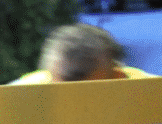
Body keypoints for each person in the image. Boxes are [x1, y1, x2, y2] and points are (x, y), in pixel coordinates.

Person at [10, 23, 154, 84]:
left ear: (119, 77)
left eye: (88, 94)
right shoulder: (22, 93)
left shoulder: (152, 92)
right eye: (60, 95)